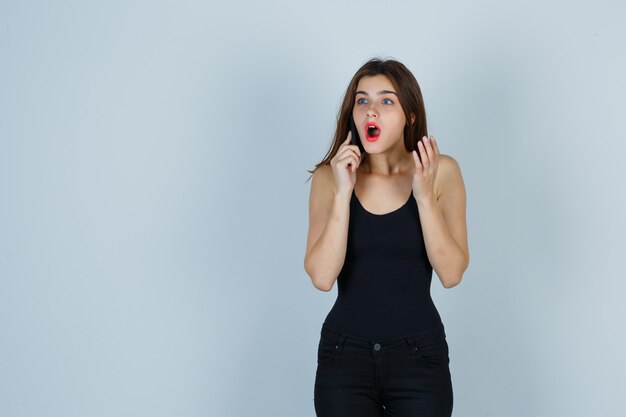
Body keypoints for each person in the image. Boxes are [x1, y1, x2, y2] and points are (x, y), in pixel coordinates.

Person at [303, 57, 469, 417]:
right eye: (362, 101)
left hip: (419, 359)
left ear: (410, 115)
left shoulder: (442, 173)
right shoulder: (329, 178)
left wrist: (423, 195)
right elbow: (321, 276)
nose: (370, 111)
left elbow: (452, 273)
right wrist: (343, 194)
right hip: (344, 358)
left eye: (386, 100)